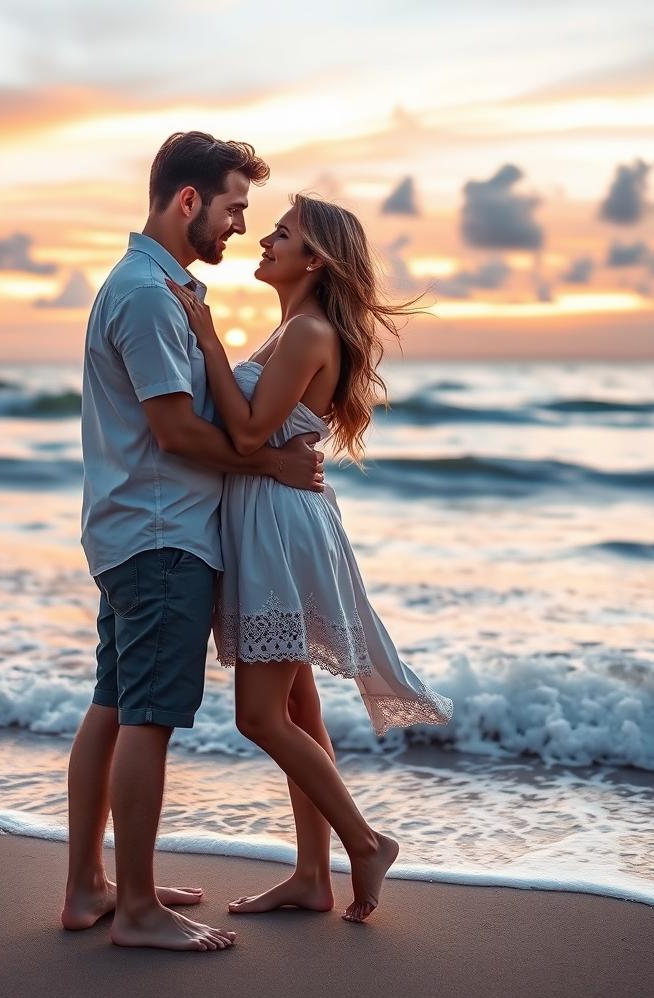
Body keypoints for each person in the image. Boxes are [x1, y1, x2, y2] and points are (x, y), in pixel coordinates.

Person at [63, 132, 326, 952]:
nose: (240, 228)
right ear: (188, 202)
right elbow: (175, 431)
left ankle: (92, 888)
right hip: (161, 533)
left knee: (114, 705)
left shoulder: (160, 289)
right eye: (233, 208)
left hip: (140, 529)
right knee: (148, 716)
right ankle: (137, 909)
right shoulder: (147, 294)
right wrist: (272, 462)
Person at [166, 193, 454, 923]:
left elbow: (247, 434)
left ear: (314, 259)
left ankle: (363, 842)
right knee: (298, 706)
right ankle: (310, 876)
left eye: (282, 233)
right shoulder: (294, 327)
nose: (264, 238)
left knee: (260, 718)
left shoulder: (305, 332)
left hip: (277, 526)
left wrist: (205, 343)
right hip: (279, 515)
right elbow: (260, 437)